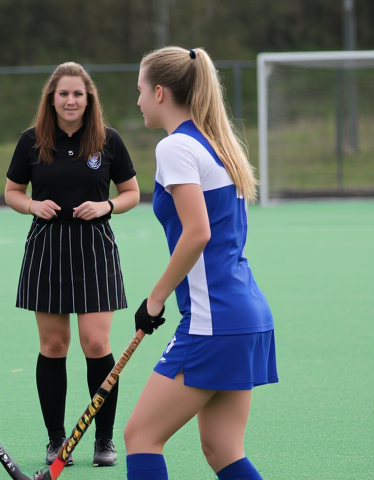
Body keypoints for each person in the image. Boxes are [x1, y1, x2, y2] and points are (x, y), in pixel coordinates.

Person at [124, 46, 278, 480]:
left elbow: (197, 232)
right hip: (246, 313)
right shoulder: (216, 143)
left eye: (139, 91)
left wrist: (154, 301)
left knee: (141, 437)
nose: (137, 102)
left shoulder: (175, 147)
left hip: (215, 320)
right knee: (223, 450)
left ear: (159, 92)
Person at [4, 62, 140, 468]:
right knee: (53, 346)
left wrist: (107, 205)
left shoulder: (108, 140)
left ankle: (103, 439)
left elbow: (132, 192)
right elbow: (12, 191)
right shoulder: (31, 141)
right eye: (63, 93)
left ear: (88, 98)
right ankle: (56, 439)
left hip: (94, 246)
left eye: (78, 94)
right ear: (52, 98)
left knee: (97, 344)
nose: (70, 100)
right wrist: (31, 204)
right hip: (47, 247)